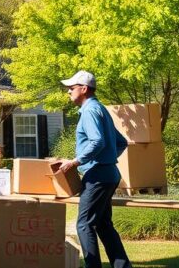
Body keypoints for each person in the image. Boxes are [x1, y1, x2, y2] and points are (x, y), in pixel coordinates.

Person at [55, 70, 132, 268]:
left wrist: (76, 161)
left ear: (84, 89)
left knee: (84, 224)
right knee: (103, 224)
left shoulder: (90, 111)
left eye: (71, 88)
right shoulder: (100, 109)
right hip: (109, 174)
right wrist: (106, 159)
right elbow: (121, 142)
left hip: (97, 176)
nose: (68, 92)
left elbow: (97, 141)